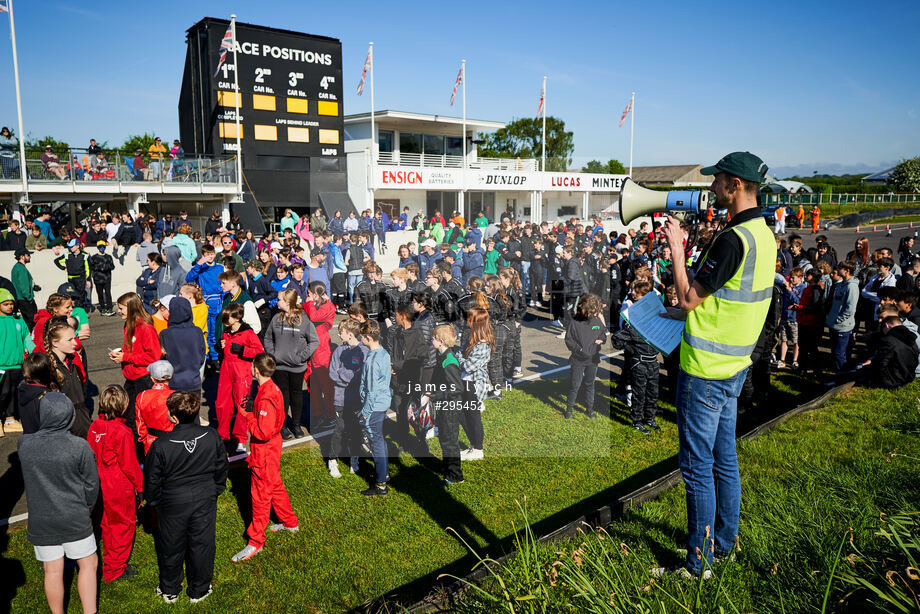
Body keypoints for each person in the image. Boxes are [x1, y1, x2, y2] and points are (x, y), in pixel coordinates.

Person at [660, 151, 775, 578]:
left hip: (706, 371)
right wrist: (690, 312)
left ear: (735, 185)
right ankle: (724, 544)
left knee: (696, 469)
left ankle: (699, 563)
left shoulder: (732, 238)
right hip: (734, 365)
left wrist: (676, 249)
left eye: (717, 180)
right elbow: (726, 298)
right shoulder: (762, 233)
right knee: (724, 459)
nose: (710, 187)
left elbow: (691, 297)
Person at [19, 391, 99, 614]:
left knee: (52, 570)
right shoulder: (79, 446)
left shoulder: (24, 444)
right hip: (75, 517)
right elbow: (92, 486)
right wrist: (87, 509)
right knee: (88, 564)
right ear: (70, 416)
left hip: (42, 520)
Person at [144, 391, 227, 604]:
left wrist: (154, 501)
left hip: (172, 502)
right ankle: (199, 588)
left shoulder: (161, 444)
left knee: (171, 545)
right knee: (202, 544)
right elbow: (221, 465)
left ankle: (170, 589)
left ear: (173, 416)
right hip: (204, 497)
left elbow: (152, 479)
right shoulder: (211, 436)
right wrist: (216, 488)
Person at [231, 353, 300, 562]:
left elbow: (263, 432)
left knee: (260, 496)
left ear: (256, 370)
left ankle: (255, 542)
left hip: (265, 451)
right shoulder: (269, 389)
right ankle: (290, 522)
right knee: (275, 485)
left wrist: (247, 415)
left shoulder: (267, 394)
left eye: (252, 366)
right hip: (270, 450)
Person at [86, 385, 143, 583]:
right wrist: (142, 487)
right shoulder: (123, 431)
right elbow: (130, 465)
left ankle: (109, 561)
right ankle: (115, 569)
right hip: (117, 485)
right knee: (123, 525)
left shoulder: (94, 426)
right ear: (124, 405)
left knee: (106, 523)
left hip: (97, 481)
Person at [263, 289, 319, 439]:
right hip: (279, 366)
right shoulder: (276, 318)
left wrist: (301, 357)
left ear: (287, 302)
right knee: (282, 396)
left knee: (296, 395)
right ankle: (283, 425)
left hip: (297, 367)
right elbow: (267, 338)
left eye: (279, 299)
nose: (277, 301)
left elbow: (314, 341)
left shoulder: (303, 320)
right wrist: (273, 355)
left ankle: (296, 424)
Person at [110, 293, 161, 445]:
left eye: (121, 308)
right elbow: (132, 349)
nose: (119, 311)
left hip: (143, 380)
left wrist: (125, 358)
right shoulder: (128, 325)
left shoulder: (145, 328)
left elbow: (153, 357)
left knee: (139, 417)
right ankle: (135, 447)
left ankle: (141, 449)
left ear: (131, 308)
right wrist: (121, 353)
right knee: (129, 416)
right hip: (131, 379)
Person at [610, 285, 661, 429]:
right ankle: (637, 421)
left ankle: (650, 418)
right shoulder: (633, 322)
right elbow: (617, 339)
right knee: (639, 393)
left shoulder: (656, 319)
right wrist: (631, 349)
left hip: (653, 362)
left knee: (653, 392)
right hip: (639, 363)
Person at [216, 302, 263, 452]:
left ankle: (240, 439)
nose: (225, 321)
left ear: (237, 317)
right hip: (226, 369)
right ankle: (222, 435)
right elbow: (223, 350)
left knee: (241, 404)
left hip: (241, 371)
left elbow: (259, 351)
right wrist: (219, 347)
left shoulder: (248, 333)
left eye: (227, 318)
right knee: (222, 403)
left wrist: (242, 349)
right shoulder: (226, 331)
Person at [327, 319, 368, 477]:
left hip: (357, 400)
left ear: (350, 335)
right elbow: (332, 373)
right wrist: (349, 378)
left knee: (356, 430)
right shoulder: (338, 351)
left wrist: (343, 375)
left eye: (341, 332)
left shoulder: (363, 351)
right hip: (340, 399)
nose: (338, 334)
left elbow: (360, 375)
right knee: (339, 431)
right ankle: (333, 460)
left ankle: (354, 459)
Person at [425, 324, 464, 484]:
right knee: (445, 439)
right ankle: (448, 469)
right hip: (445, 405)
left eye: (434, 338)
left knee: (450, 441)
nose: (432, 340)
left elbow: (457, 388)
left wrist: (435, 395)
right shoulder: (442, 355)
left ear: (440, 341)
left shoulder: (449, 362)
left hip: (451, 407)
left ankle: (455, 476)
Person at [358, 320, 391, 496]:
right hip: (383, 403)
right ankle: (384, 473)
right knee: (380, 440)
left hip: (373, 407)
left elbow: (371, 391)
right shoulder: (384, 352)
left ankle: (380, 484)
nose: (360, 339)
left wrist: (365, 413)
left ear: (368, 337)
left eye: (362, 337)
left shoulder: (372, 362)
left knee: (376, 443)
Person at [44, 321, 92, 438]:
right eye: (69, 340)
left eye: (75, 338)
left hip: (82, 419)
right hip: (66, 425)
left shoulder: (71, 361)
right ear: (55, 343)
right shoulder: (49, 368)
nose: (75, 343)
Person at [458, 308, 492, 461]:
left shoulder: (483, 344)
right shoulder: (471, 337)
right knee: (462, 413)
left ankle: (478, 449)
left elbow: (468, 366)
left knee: (473, 417)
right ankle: (473, 444)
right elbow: (461, 353)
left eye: (470, 319)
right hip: (465, 381)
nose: (467, 321)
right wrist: (460, 357)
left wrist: (459, 358)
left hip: (474, 384)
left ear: (477, 323)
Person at [0, 288, 33, 435]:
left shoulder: (18, 320)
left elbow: (27, 337)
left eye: (11, 303)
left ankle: (10, 419)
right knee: (3, 392)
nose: (9, 306)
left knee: (13, 391)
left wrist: (33, 351)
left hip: (16, 363)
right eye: (5, 304)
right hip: (1, 365)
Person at [185, 244, 225, 365]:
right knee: (205, 331)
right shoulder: (200, 268)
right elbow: (189, 279)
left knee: (216, 331)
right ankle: (207, 357)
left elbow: (224, 284)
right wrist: (198, 265)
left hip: (217, 303)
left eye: (212, 254)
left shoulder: (219, 268)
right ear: (203, 255)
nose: (210, 257)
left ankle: (214, 357)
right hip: (205, 303)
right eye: (207, 255)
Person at [135, 361, 176, 454]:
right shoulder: (176, 396)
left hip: (151, 442)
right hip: (172, 442)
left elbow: (140, 424)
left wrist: (144, 440)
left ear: (152, 379)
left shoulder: (141, 396)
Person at [777, 267, 805, 369]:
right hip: (785, 316)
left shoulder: (802, 288)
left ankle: (794, 360)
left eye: (793, 278)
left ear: (800, 278)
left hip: (795, 319)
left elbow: (798, 301)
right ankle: (782, 359)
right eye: (791, 278)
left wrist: (790, 291)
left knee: (795, 341)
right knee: (783, 340)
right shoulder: (788, 287)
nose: (791, 280)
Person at [12, 248, 38, 329]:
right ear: (22, 257)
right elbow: (23, 287)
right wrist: (29, 299)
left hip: (21, 299)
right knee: (33, 322)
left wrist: (33, 287)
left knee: (28, 322)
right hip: (25, 300)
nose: (30, 257)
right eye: (28, 255)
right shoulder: (21, 269)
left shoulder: (17, 267)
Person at [89, 240, 116, 315]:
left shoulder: (108, 257)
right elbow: (91, 267)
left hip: (107, 278)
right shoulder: (94, 257)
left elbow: (112, 266)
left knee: (108, 293)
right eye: (100, 247)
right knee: (100, 294)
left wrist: (106, 267)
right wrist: (99, 268)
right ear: (97, 247)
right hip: (98, 279)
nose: (102, 248)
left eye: (103, 246)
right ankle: (103, 308)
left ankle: (109, 308)